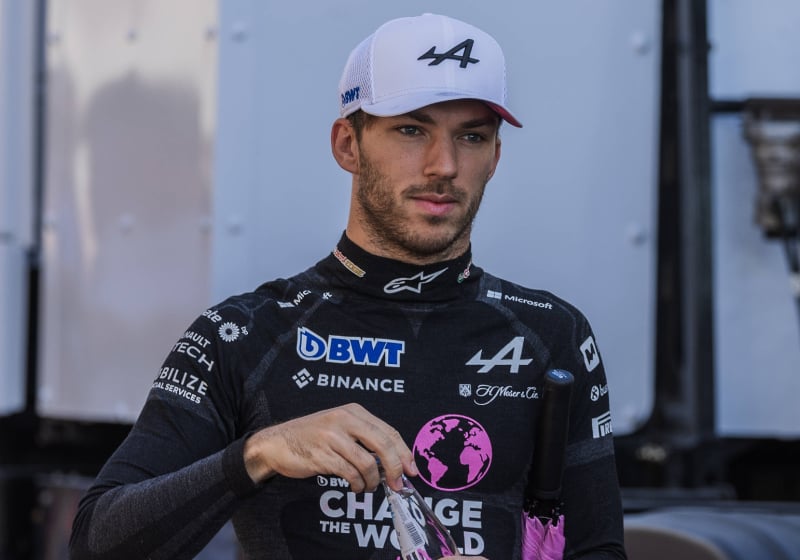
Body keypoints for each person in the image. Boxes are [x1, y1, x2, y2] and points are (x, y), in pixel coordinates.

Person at [69, 13, 626, 559]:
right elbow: (97, 541)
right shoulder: (242, 334)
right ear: (347, 146)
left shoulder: (552, 334)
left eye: (472, 136)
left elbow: (598, 549)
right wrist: (258, 453)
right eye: (412, 130)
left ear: (495, 158)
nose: (445, 165)